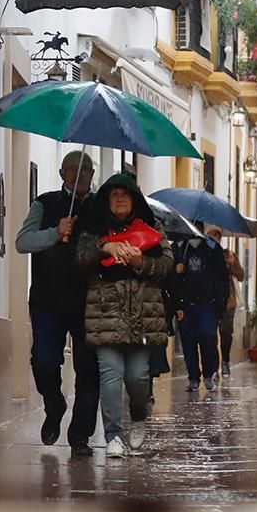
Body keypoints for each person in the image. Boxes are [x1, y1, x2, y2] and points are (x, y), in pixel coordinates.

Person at [76, 174, 173, 459]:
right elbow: (79, 258)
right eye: (114, 194)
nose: (119, 199)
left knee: (138, 377)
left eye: (125, 194)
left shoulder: (153, 228)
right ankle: (113, 436)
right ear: (107, 199)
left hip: (142, 317)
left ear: (134, 199)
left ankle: (138, 414)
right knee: (110, 375)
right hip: (105, 315)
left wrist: (140, 262)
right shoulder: (96, 228)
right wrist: (104, 247)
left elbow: (167, 265)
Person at [14, 151, 99, 458]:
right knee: (44, 362)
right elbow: (22, 242)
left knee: (89, 371)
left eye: (86, 170)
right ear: (62, 173)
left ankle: (80, 436)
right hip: (47, 300)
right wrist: (56, 232)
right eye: (73, 170)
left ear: (93, 173)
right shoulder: (44, 203)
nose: (80, 175)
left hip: (89, 302)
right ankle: (54, 404)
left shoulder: (99, 207)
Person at [169, 224, 230, 392]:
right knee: (188, 342)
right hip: (185, 305)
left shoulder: (212, 249)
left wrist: (220, 306)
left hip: (208, 304)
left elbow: (222, 279)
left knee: (207, 338)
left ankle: (208, 374)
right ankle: (193, 377)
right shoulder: (178, 248)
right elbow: (167, 277)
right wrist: (176, 270)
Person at [210, 227, 245, 378]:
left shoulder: (228, 255)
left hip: (228, 302)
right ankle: (213, 366)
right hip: (210, 300)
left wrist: (233, 264)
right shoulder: (206, 254)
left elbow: (241, 276)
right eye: (211, 237)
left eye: (217, 237)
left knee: (226, 334)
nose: (215, 240)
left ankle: (225, 362)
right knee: (211, 335)